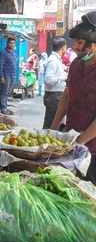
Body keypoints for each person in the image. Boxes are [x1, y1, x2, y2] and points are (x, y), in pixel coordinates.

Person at [51, 11, 96, 183]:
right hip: (71, 140)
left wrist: (82, 140)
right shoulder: (76, 64)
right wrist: (53, 128)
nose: (75, 47)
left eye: (80, 42)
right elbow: (67, 96)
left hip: (92, 149)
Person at [42, 37, 67, 129]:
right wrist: (63, 77)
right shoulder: (53, 60)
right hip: (54, 96)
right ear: (63, 47)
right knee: (50, 123)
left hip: (56, 95)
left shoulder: (56, 59)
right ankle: (45, 142)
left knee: (56, 123)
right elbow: (48, 80)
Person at [0, 37, 17, 115]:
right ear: (7, 43)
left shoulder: (13, 53)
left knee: (8, 92)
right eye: (10, 43)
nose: (12, 44)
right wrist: (1, 76)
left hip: (12, 75)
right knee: (4, 92)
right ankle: (3, 108)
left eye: (13, 43)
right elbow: (0, 65)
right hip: (6, 75)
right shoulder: (3, 53)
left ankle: (5, 107)